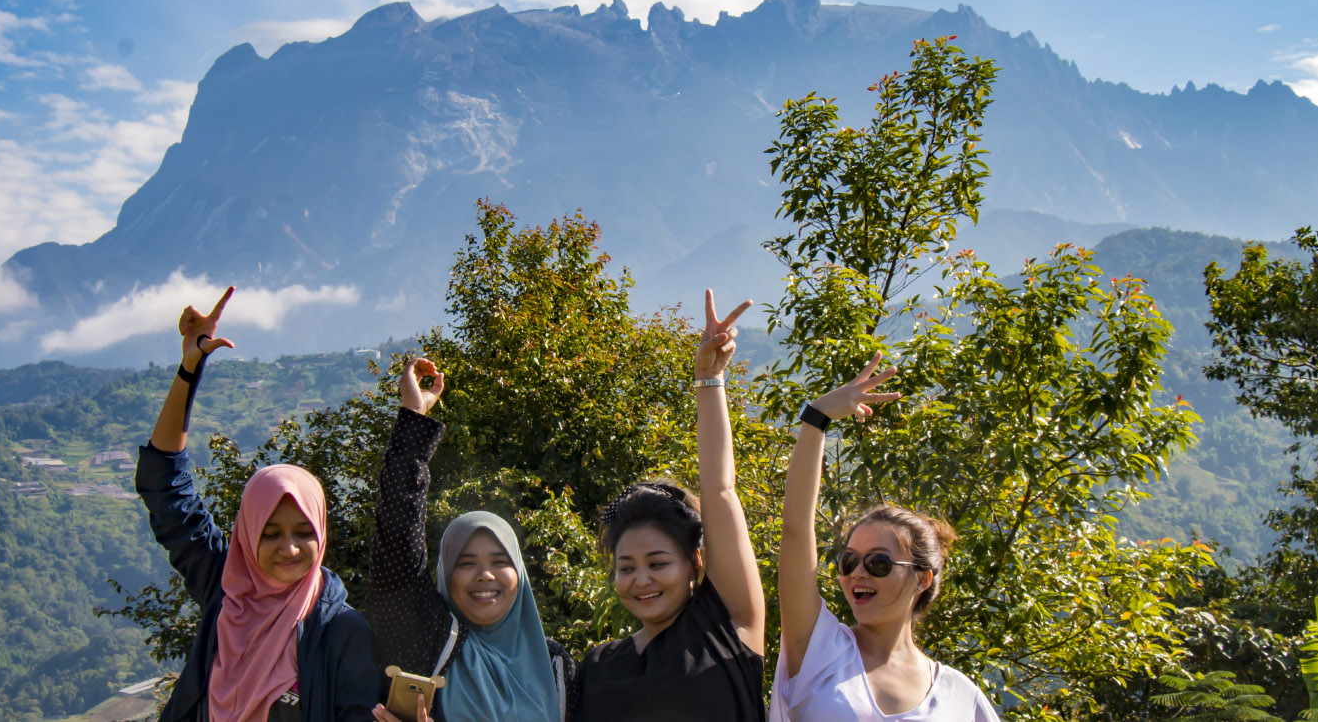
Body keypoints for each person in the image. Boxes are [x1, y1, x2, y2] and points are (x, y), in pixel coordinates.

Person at [134, 286, 382, 721]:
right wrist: (190, 368)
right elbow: (164, 486)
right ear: (247, 536)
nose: (289, 548)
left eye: (303, 532)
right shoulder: (226, 584)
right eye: (270, 533)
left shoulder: (341, 634)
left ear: (321, 534)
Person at [770, 353, 1000, 721]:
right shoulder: (819, 650)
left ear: (923, 579)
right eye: (849, 560)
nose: (857, 572)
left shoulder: (961, 697)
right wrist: (817, 417)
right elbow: (796, 530)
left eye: (878, 563)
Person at [575, 290, 767, 722]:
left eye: (657, 563)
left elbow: (719, 489)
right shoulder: (595, 668)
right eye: (626, 568)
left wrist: (708, 379)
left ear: (695, 561)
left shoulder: (729, 629)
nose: (640, 579)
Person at [370, 358, 574, 722]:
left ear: (520, 575)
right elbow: (397, 544)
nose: (485, 574)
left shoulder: (556, 665)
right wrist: (413, 420)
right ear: (447, 575)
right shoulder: (429, 639)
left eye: (500, 561)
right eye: (466, 563)